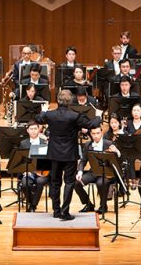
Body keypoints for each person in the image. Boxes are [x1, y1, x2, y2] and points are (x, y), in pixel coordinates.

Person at [35, 89, 102, 220]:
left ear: (58, 101)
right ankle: (65, 212)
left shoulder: (50, 115)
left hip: (54, 154)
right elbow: (91, 124)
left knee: (55, 182)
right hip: (70, 154)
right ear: (71, 101)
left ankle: (56, 210)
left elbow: (38, 119)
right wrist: (98, 115)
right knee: (69, 182)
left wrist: (44, 109)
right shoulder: (75, 116)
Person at [74, 125, 121, 215]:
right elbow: (83, 160)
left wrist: (117, 152)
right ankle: (88, 204)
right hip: (94, 171)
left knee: (101, 183)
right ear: (91, 134)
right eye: (93, 134)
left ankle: (103, 206)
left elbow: (118, 159)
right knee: (76, 183)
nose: (96, 136)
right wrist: (80, 171)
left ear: (102, 133)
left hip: (107, 172)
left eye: (98, 133)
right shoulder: (88, 144)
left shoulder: (109, 143)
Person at [19, 121, 50, 211]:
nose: (33, 131)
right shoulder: (23, 143)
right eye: (31, 129)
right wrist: (25, 170)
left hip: (43, 171)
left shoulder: (44, 142)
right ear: (27, 130)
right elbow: (21, 160)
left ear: (39, 130)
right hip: (29, 171)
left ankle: (33, 206)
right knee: (25, 184)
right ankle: (32, 202)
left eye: (35, 129)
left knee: (40, 182)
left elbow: (49, 159)